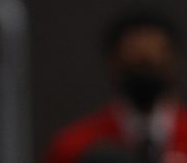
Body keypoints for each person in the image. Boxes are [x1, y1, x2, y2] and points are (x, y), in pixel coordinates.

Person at [46, 10, 187, 163]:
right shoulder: (75, 147)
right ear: (113, 63)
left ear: (174, 62)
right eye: (136, 64)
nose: (145, 73)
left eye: (154, 62)